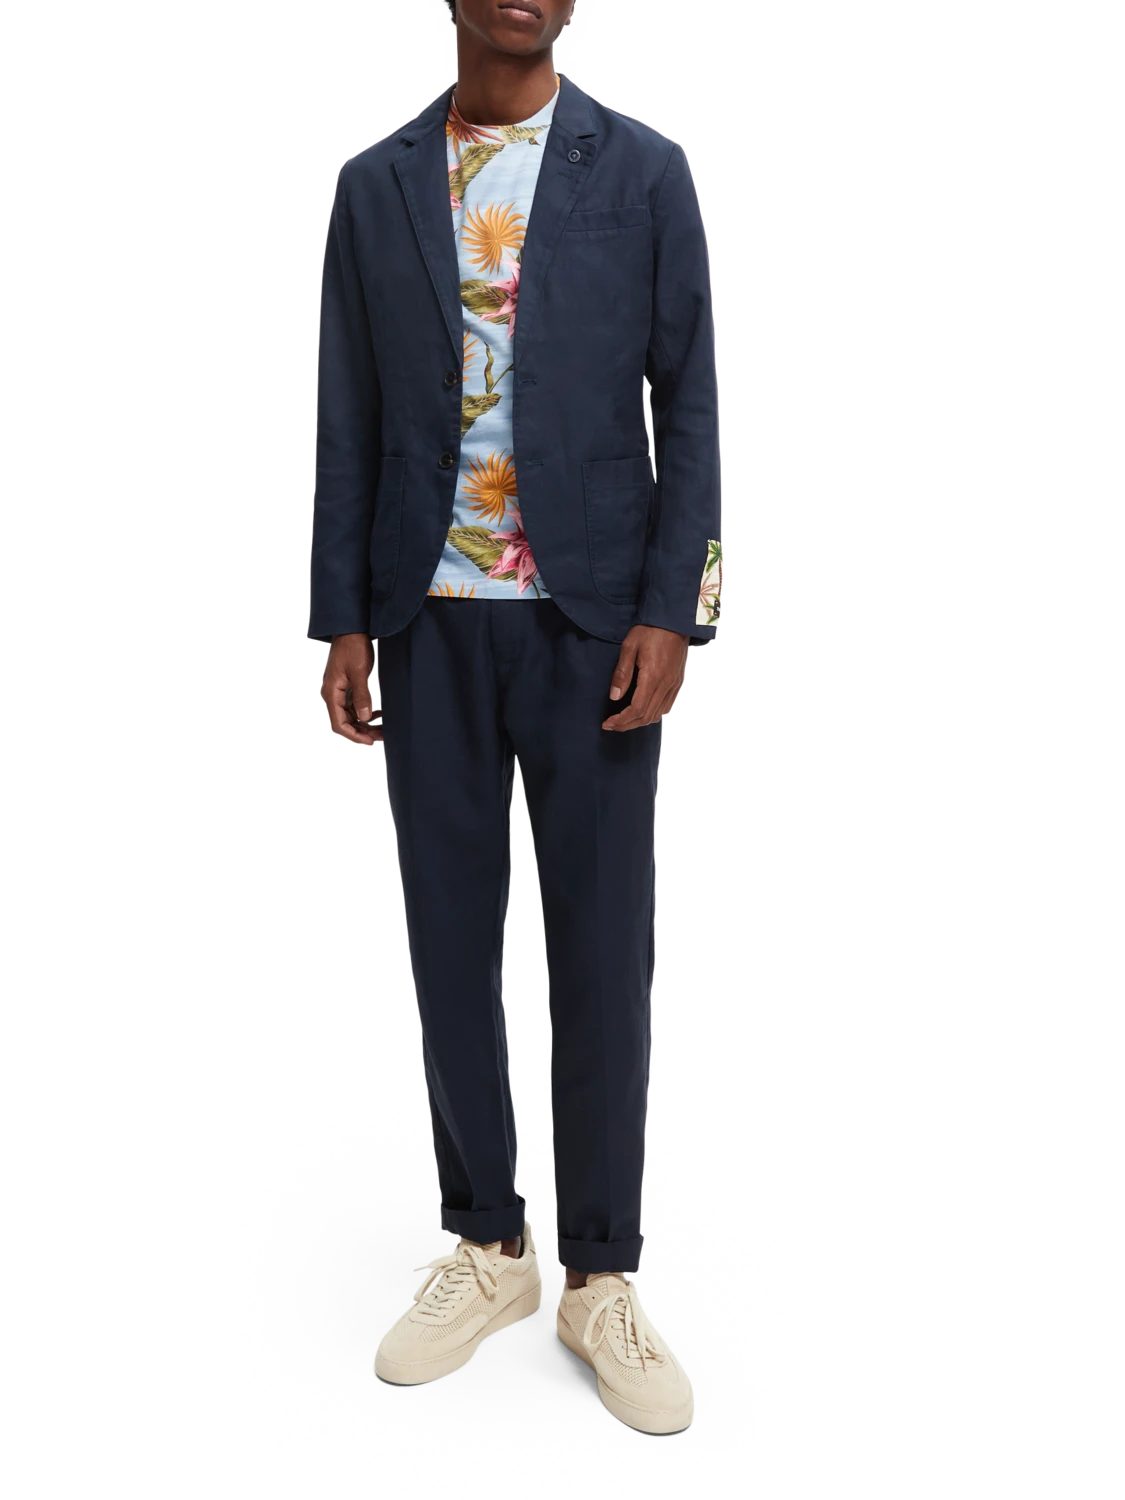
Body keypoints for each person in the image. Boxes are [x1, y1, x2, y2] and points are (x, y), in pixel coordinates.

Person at [309, 0, 722, 1435]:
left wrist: (678, 609)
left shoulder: (646, 171)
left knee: (602, 946)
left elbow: (692, 406)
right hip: (424, 616)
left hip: (592, 620)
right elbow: (349, 415)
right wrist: (340, 614)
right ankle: (488, 1246)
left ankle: (601, 1274)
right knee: (449, 941)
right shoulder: (373, 188)